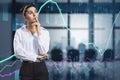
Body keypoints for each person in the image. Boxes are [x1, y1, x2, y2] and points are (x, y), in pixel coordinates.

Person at [13, 4, 50, 80]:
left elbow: (43, 51)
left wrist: (39, 32)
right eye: (30, 13)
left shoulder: (45, 32)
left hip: (41, 68)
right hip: (26, 68)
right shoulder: (19, 32)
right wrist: (35, 56)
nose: (34, 14)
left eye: (35, 12)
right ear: (25, 17)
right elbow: (18, 52)